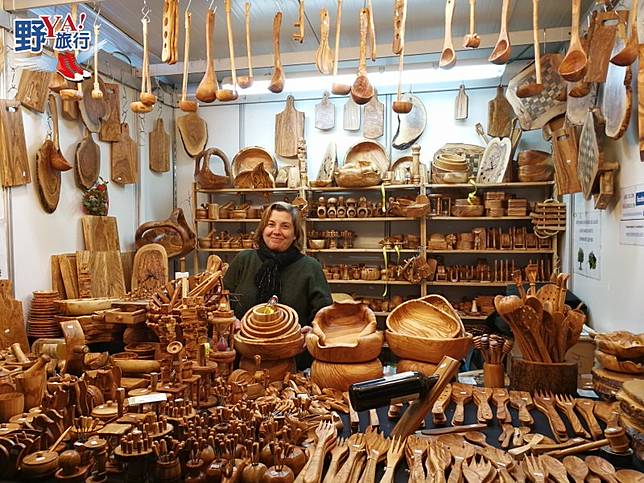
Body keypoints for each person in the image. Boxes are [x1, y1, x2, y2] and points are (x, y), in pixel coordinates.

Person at [222, 201, 333, 332]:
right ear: (263, 229)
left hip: (292, 349)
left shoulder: (310, 267)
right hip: (244, 347)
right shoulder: (244, 260)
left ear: (295, 234)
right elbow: (221, 301)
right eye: (271, 224)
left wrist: (313, 330)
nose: (276, 231)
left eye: (285, 226)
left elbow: (326, 316)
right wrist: (230, 319)